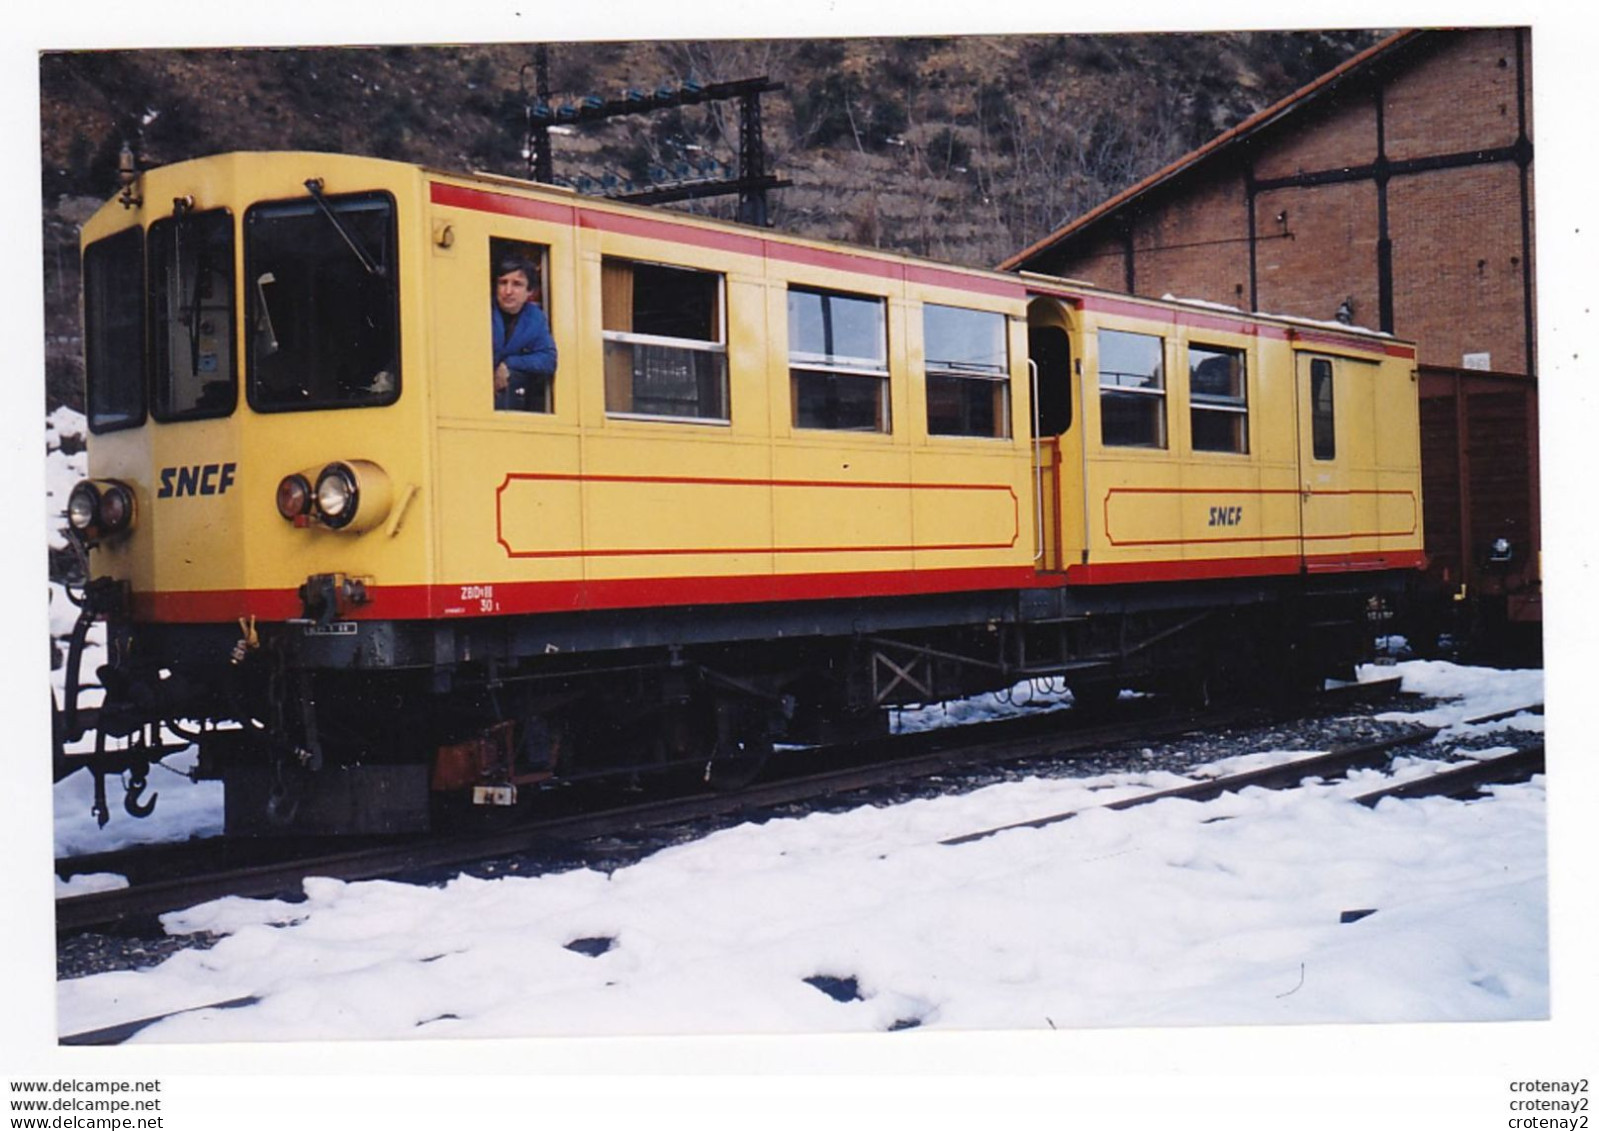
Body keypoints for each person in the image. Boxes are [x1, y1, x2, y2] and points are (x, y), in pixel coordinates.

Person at [492, 256, 557, 411]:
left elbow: (548, 359)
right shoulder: (482, 309)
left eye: (517, 284)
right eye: (503, 282)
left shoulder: (535, 317)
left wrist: (508, 364)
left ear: (530, 292)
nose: (508, 291)